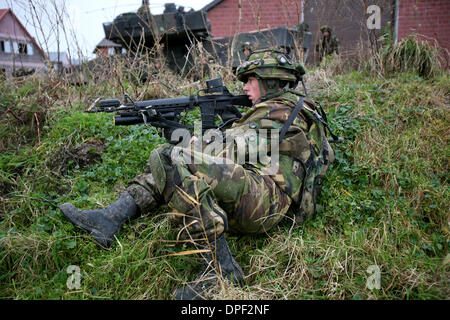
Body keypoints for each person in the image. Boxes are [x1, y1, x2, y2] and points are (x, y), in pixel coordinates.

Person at [59, 48, 335, 300]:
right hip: (267, 196)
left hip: (264, 202)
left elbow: (237, 148)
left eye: (250, 79)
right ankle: (111, 217)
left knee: (168, 156)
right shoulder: (297, 108)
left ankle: (220, 269)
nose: (244, 86)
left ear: (271, 82)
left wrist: (194, 143)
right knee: (172, 159)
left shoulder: (279, 112)